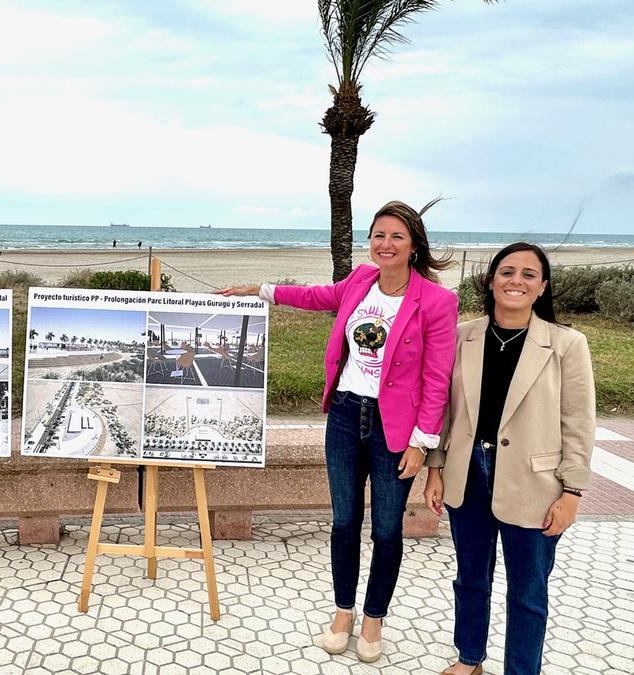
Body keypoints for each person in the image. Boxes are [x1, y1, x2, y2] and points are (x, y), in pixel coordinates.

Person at [217, 200, 458, 663]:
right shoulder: (362, 281)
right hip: (346, 416)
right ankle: (343, 612)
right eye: (378, 235)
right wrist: (259, 290)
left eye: (396, 237)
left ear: (413, 246)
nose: (385, 245)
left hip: (396, 429)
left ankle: (373, 621)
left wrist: (422, 444)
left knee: (387, 531)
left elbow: (437, 379)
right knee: (345, 523)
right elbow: (316, 296)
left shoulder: (436, 301)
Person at [424, 243, 595, 675]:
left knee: (528, 591)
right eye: (506, 272)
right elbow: (444, 408)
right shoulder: (463, 335)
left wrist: (572, 492)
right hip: (469, 475)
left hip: (534, 485)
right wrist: (436, 468)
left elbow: (578, 421)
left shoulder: (566, 344)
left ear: (542, 287)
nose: (515, 281)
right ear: (491, 279)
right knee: (470, 580)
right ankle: (469, 659)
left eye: (528, 274)